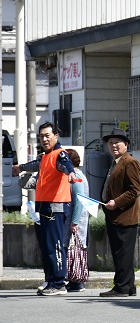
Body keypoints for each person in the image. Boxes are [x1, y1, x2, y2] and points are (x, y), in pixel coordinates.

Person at [13, 122, 77, 296]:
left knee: (55, 246)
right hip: (45, 207)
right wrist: (20, 168)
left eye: (47, 135)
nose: (44, 139)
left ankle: (58, 283)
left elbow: (67, 165)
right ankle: (51, 280)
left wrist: (71, 173)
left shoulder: (59, 154)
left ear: (56, 136)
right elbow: (32, 165)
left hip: (56, 207)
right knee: (48, 247)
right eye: (42, 136)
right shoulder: (44, 157)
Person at [99, 128, 140, 297]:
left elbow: (135, 190)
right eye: (110, 143)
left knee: (123, 253)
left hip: (124, 216)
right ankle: (129, 286)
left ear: (126, 144)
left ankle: (122, 287)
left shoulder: (129, 162)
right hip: (114, 215)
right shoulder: (116, 162)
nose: (113, 145)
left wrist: (116, 202)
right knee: (121, 253)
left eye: (117, 142)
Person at [65, 149, 90, 293]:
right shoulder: (80, 175)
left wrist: (74, 222)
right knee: (76, 250)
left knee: (75, 250)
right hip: (79, 218)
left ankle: (77, 281)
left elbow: (79, 200)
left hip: (77, 219)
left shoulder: (76, 176)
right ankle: (75, 280)